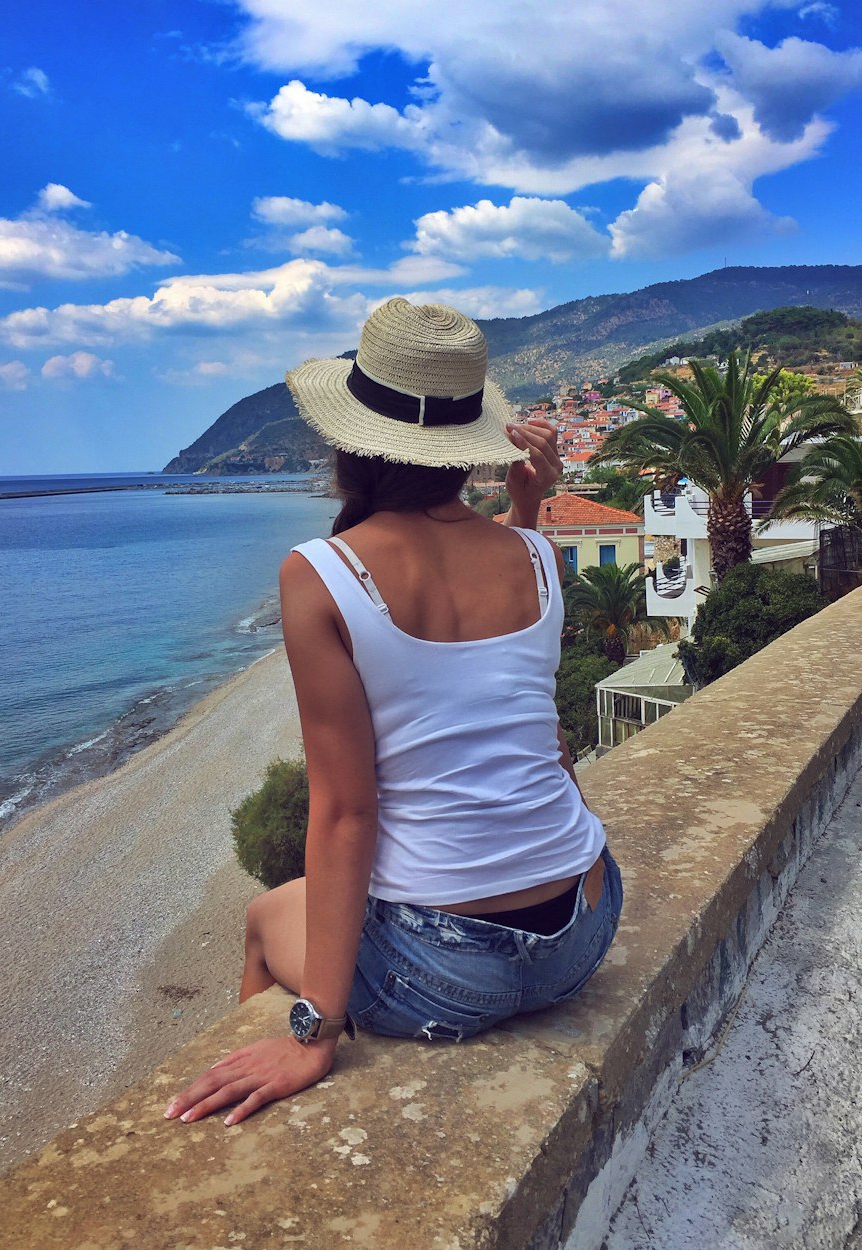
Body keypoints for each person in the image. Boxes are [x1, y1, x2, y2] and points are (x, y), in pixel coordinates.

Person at [165, 299, 622, 1127]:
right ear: (468, 445)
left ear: (352, 442)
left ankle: (268, 1092)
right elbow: (489, 675)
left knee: (266, 916)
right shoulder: (538, 553)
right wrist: (527, 507)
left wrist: (317, 1032)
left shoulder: (321, 574)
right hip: (584, 929)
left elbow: (346, 812)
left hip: (450, 970)